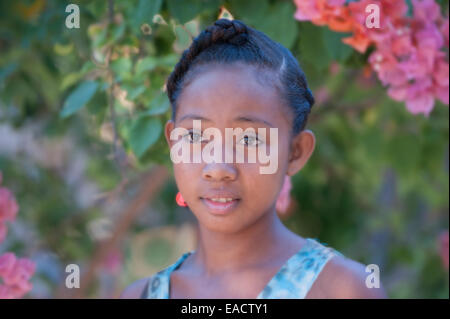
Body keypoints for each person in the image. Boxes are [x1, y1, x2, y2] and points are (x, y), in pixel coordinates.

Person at [120, 18, 387, 299]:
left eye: (249, 140)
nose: (218, 168)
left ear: (295, 153)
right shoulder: (141, 295)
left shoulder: (340, 289)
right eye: (196, 137)